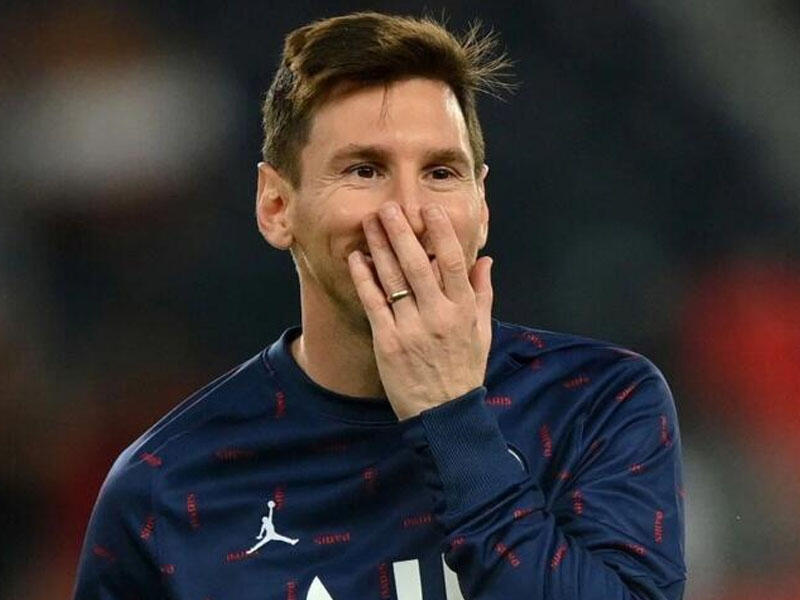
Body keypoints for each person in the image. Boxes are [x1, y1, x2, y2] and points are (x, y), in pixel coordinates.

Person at [73, 11, 686, 600]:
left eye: (441, 172)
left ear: (481, 206)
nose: (409, 214)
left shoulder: (596, 404)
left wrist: (452, 419)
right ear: (276, 206)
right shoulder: (166, 488)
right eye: (364, 170)